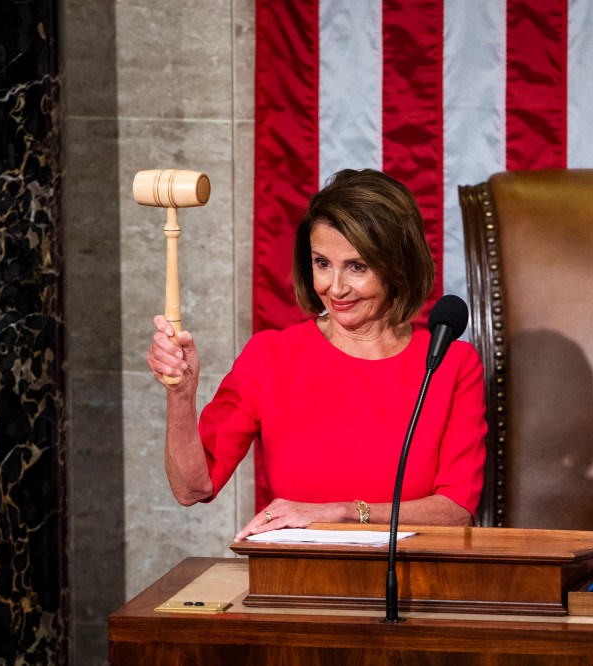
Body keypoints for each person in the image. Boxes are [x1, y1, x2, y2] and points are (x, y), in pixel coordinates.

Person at [146, 168, 487, 541]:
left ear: (398, 266)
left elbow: (456, 513)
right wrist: (181, 394)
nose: (334, 287)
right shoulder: (270, 357)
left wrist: (341, 513)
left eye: (357, 266)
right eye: (322, 263)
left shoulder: (451, 364)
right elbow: (192, 489)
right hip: (296, 581)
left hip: (414, 584)